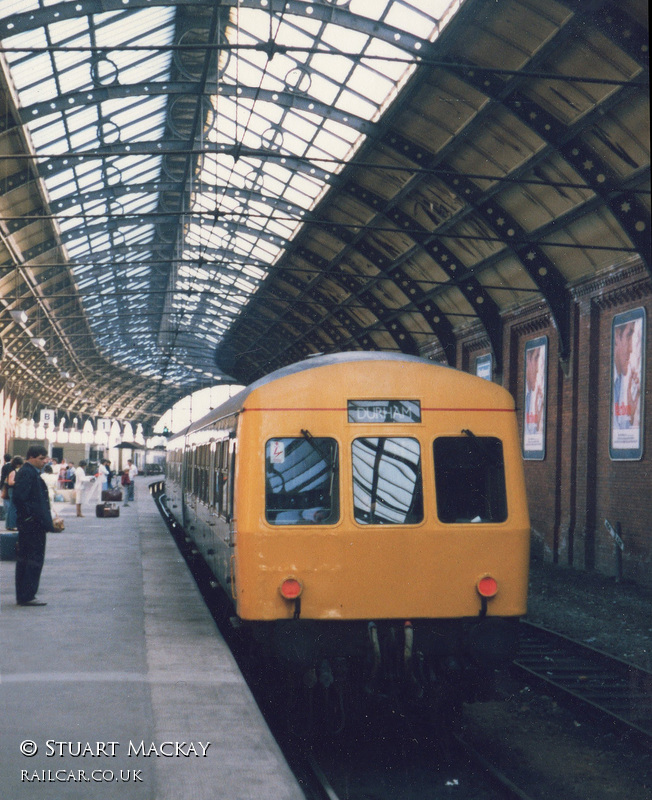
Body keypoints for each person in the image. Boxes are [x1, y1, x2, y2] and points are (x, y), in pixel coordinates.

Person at [12, 445, 55, 606]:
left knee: (26, 558)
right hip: (32, 525)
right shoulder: (28, 473)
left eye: (45, 458)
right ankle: (27, 595)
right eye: (41, 458)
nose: (44, 462)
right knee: (33, 559)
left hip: (32, 524)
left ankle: (24, 595)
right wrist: (30, 517)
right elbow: (19, 498)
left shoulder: (29, 472)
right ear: (31, 457)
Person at [613, 320, 641, 430]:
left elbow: (621, 432)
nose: (631, 349)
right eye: (628, 336)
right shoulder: (612, 382)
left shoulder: (620, 382)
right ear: (616, 337)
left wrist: (631, 414)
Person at [4, 456, 24, 531]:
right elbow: (11, 482)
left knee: (11, 508)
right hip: (12, 490)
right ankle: (12, 525)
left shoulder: (11, 470)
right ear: (17, 464)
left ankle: (9, 525)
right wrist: (20, 482)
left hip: (11, 490)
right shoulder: (13, 471)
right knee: (13, 508)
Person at [1, 453, 13, 521]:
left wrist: (1, 485)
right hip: (10, 485)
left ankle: (7, 514)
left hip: (5, 485)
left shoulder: (4, 467)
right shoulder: (12, 466)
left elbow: (3, 476)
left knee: (5, 499)